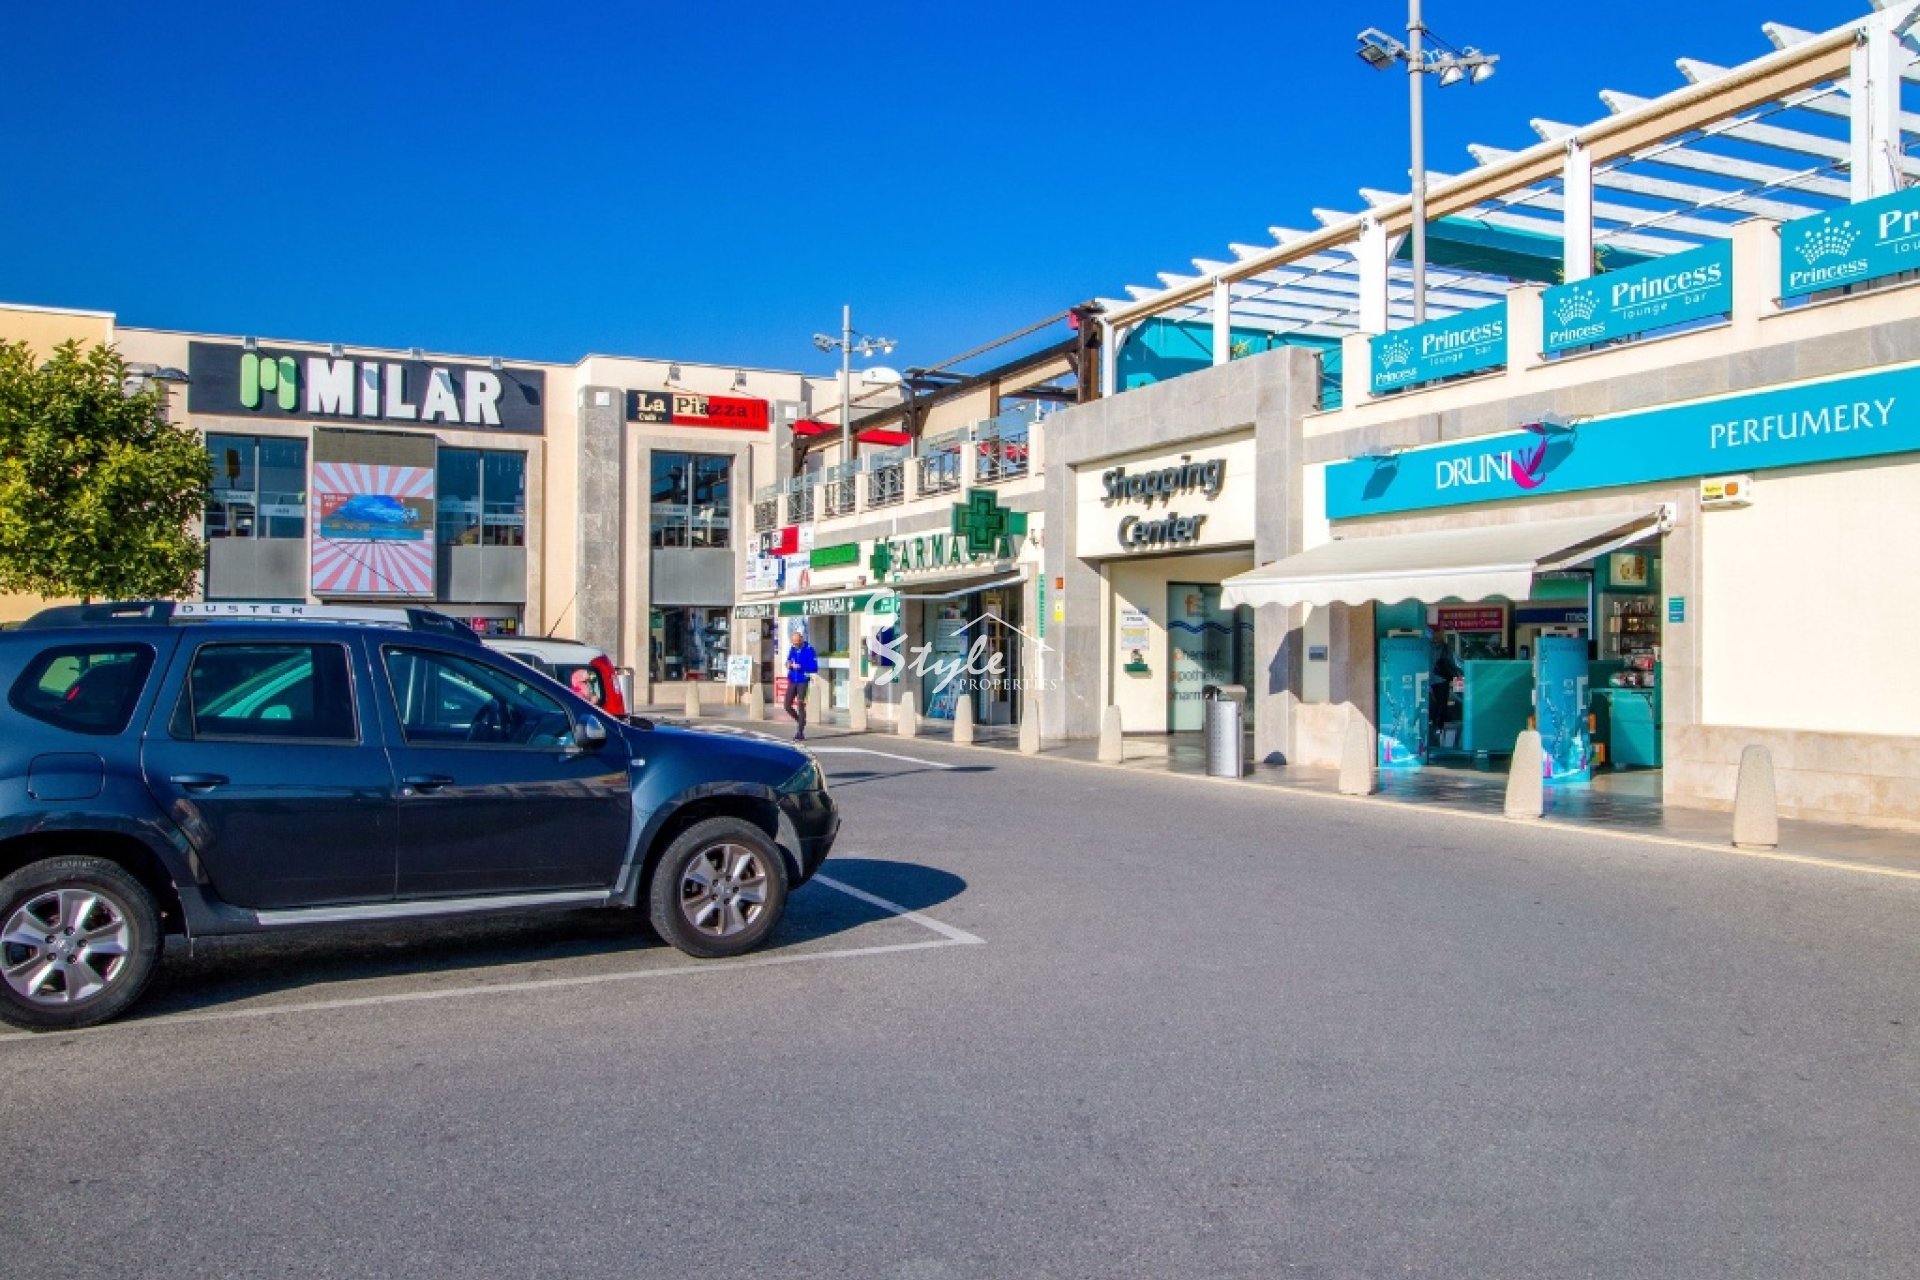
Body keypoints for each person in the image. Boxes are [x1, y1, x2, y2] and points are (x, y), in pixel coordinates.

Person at [784, 626, 818, 741]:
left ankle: (800, 732)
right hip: (792, 679)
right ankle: (800, 721)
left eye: (797, 643)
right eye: (793, 643)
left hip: (803, 680)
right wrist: (789, 664)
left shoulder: (810, 650)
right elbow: (788, 660)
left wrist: (801, 667)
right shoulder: (792, 649)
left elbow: (814, 667)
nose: (795, 645)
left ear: (801, 640)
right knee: (787, 705)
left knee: (800, 705)